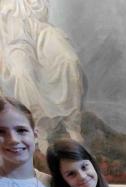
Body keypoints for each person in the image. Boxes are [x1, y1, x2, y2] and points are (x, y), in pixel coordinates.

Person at [0, 0, 84, 153]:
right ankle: (39, 129)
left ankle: (72, 124)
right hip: (13, 40)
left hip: (40, 31)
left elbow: (41, 11)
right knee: (22, 73)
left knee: (69, 61)